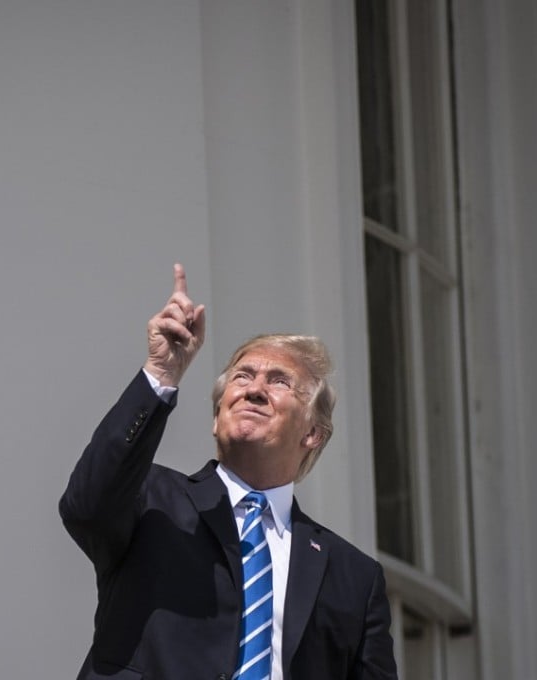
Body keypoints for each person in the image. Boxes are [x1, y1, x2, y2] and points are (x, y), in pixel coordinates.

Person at [59, 264, 398, 680]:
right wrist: (161, 374)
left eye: (279, 382)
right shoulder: (152, 500)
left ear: (313, 433)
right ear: (217, 418)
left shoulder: (355, 577)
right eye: (242, 376)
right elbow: (84, 505)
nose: (253, 389)